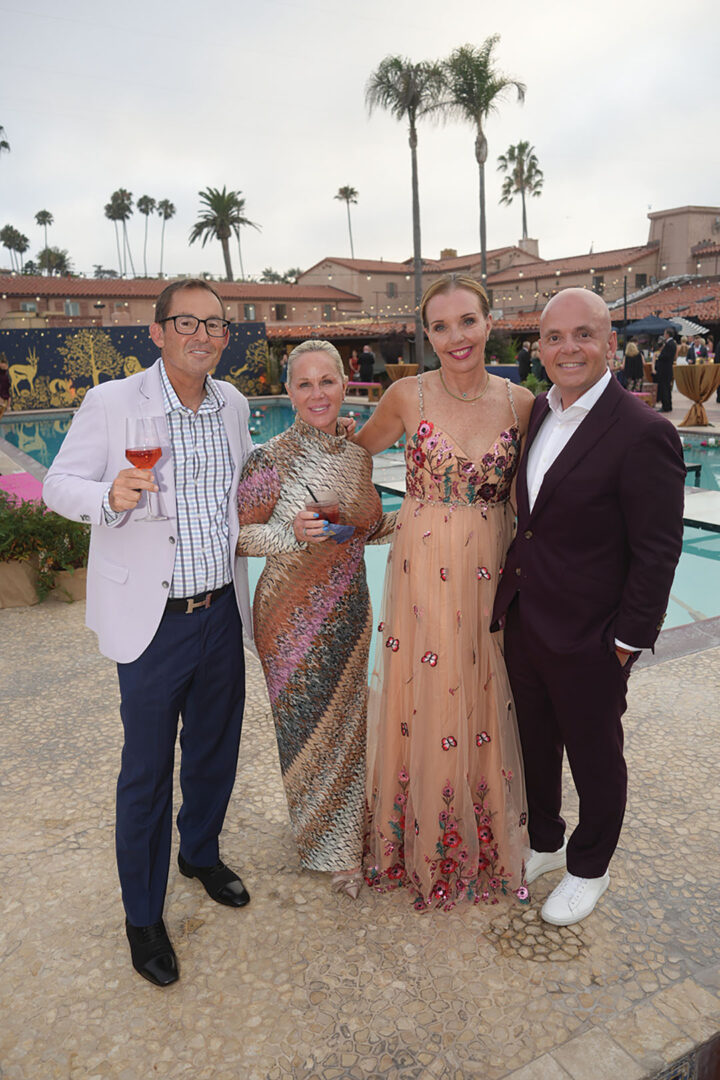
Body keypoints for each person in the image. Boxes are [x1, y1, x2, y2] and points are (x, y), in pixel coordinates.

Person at [43, 279, 254, 987]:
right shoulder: (112, 404)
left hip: (220, 609)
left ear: (226, 337)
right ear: (158, 332)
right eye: (187, 322)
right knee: (146, 772)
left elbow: (241, 494)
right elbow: (57, 483)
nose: (203, 335)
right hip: (152, 623)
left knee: (216, 749)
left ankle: (199, 852)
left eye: (216, 325)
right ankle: (143, 915)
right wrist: (107, 496)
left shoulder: (233, 405)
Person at [492, 288, 685, 927]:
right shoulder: (539, 414)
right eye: (553, 337)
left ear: (608, 343)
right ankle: (547, 841)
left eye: (582, 335)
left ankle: (590, 866)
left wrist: (628, 639)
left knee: (595, 754)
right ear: (538, 346)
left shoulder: (644, 432)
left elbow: (657, 550)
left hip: (593, 635)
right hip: (526, 619)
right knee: (536, 745)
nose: (567, 348)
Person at [356, 273, 534, 911]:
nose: (456, 337)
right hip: (423, 569)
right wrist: (340, 519)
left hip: (493, 567)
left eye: (467, 321)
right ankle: (419, 839)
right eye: (440, 326)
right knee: (429, 693)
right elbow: (354, 459)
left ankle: (482, 836)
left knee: (486, 689)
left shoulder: (522, 404)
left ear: (490, 323)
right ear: (426, 335)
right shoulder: (408, 397)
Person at [235, 340, 395, 899]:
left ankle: (346, 840)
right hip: (288, 618)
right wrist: (288, 534)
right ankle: (321, 842)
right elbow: (240, 534)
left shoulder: (357, 456)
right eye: (304, 384)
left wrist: (421, 519)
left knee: (350, 727)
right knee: (304, 730)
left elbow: (361, 530)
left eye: (327, 381)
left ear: (344, 385)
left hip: (349, 606)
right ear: (289, 392)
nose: (317, 393)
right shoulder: (268, 459)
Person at [654, 328, 677, 412]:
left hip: (665, 370)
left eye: (665, 334)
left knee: (665, 388)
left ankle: (666, 406)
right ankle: (668, 405)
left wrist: (659, 356)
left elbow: (666, 356)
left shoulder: (670, 344)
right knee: (666, 388)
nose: (664, 335)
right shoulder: (671, 343)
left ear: (668, 334)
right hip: (667, 370)